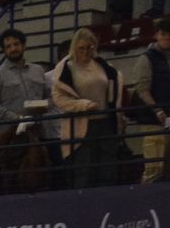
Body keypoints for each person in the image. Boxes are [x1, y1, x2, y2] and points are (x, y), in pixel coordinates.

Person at [0, 28, 55, 192]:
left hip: (36, 132)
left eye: (16, 44)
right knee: (12, 179)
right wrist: (13, 117)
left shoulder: (38, 70)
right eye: (8, 46)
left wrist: (44, 106)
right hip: (9, 135)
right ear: (4, 50)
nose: (13, 48)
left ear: (23, 45)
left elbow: (49, 96)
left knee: (39, 175)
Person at [50, 29, 125, 188]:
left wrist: (118, 116)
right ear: (74, 47)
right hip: (81, 127)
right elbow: (59, 98)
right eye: (81, 48)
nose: (86, 52)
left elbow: (113, 92)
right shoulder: (65, 68)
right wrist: (83, 105)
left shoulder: (104, 66)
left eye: (90, 48)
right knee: (84, 172)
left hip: (106, 124)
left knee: (108, 171)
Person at [127, 17, 170, 182]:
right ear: (157, 35)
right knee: (155, 169)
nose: (167, 38)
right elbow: (142, 89)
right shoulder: (147, 58)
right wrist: (157, 110)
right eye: (163, 34)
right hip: (155, 120)